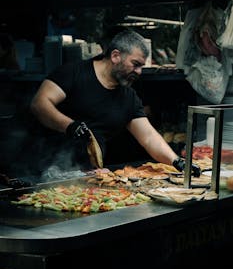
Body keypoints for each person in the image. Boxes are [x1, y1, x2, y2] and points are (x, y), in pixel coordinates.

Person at [30, 29, 200, 176]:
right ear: (115, 56)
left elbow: (148, 137)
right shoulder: (73, 73)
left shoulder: (128, 97)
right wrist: (70, 126)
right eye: (135, 64)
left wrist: (177, 162)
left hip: (89, 177)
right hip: (47, 170)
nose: (139, 72)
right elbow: (40, 104)